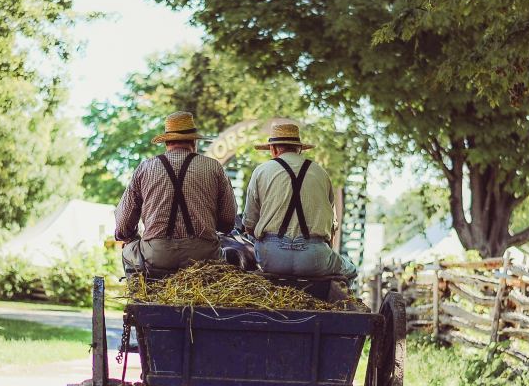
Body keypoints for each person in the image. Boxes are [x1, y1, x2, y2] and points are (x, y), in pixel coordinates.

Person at [115, 111, 238, 275]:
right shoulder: (214, 167)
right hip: (204, 257)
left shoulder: (145, 168)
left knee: (127, 251)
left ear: (167, 142)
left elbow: (123, 225)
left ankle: (141, 294)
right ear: (194, 141)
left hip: (157, 255)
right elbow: (228, 221)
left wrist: (131, 237)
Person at [242, 122, 356, 279]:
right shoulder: (321, 173)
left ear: (273, 149)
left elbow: (249, 225)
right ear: (300, 149)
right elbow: (332, 227)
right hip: (314, 259)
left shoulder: (260, 171)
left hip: (271, 258)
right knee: (351, 270)